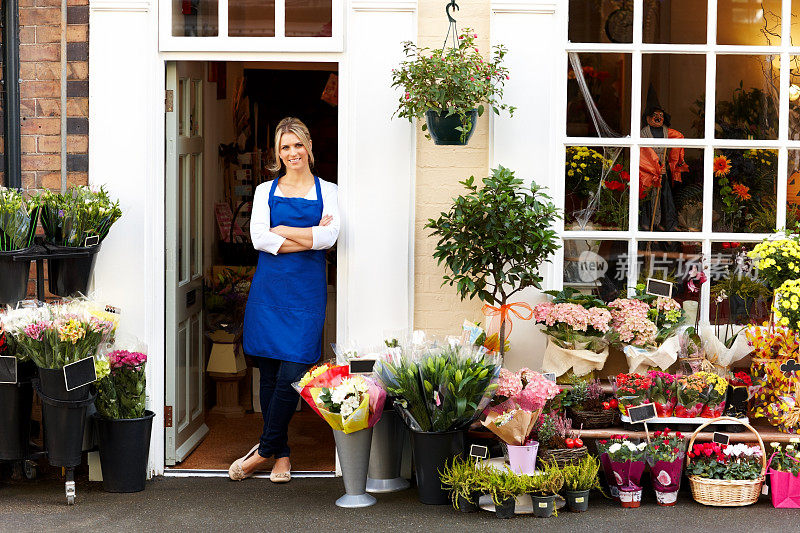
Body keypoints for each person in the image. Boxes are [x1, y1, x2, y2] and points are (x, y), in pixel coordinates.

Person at [228, 117, 339, 483]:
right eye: (285, 147)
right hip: (270, 292)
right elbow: (260, 239)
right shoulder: (264, 191)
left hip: (306, 296)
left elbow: (331, 238)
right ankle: (281, 454)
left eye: (297, 145)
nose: (293, 153)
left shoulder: (329, 190)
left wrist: (285, 230)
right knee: (272, 373)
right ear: (278, 153)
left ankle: (262, 450)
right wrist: (308, 235)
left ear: (308, 147)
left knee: (293, 373)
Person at [639, 105, 689, 232]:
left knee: (666, 203)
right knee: (648, 204)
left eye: (661, 115)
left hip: (663, 175)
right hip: (649, 176)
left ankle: (666, 235)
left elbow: (679, 137)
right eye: (655, 115)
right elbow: (644, 154)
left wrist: (671, 165)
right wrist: (655, 168)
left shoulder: (668, 133)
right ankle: (647, 236)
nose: (658, 118)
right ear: (648, 118)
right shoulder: (643, 134)